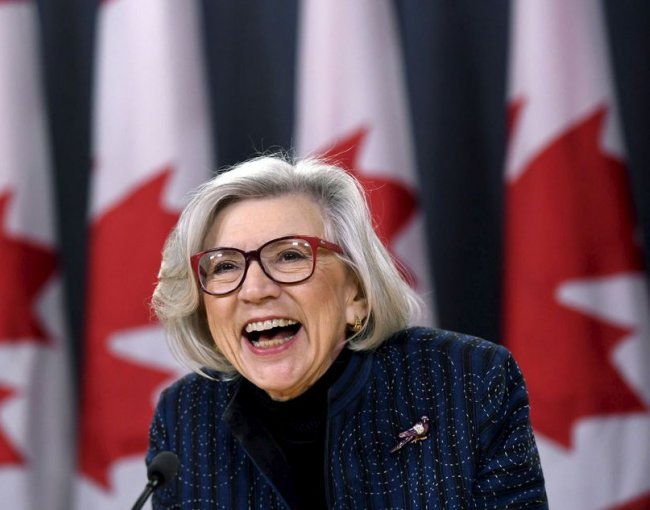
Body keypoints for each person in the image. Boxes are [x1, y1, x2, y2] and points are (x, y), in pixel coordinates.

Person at [148, 155, 547, 509]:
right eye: (224, 266)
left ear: (355, 292)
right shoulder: (185, 417)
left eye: (290, 255)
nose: (254, 290)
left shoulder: (467, 381)